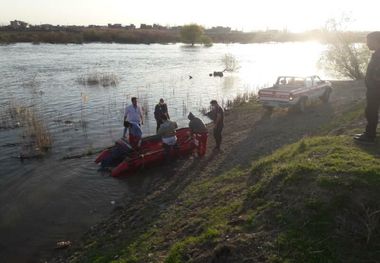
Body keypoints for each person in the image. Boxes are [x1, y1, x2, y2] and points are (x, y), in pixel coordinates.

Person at [354, 31, 380, 143]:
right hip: (374, 90)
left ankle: (369, 136)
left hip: (376, 90)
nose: (367, 44)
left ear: (377, 41)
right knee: (371, 112)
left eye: (369, 41)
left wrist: (374, 85)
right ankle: (370, 134)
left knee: (371, 112)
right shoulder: (376, 54)